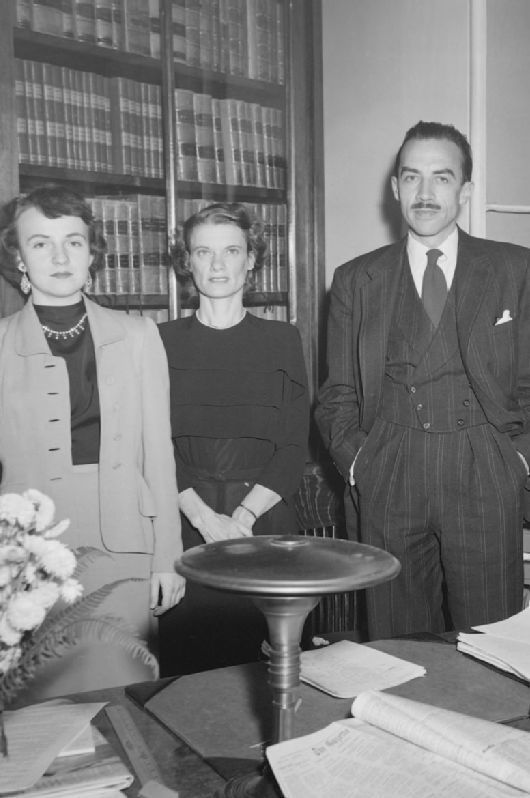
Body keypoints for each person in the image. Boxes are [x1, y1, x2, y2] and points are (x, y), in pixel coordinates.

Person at [315, 121, 530, 639]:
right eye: (412, 177)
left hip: (484, 468)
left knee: (492, 642)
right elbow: (337, 395)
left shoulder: (512, 267)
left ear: (464, 190)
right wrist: (359, 463)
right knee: (398, 645)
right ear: (395, 187)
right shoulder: (356, 279)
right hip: (389, 470)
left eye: (441, 178)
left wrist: (518, 461)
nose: (424, 193)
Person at [0, 185, 185, 697]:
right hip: (27, 558)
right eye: (41, 243)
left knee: (125, 694)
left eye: (73, 242)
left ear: (91, 253)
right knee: (39, 703)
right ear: (18, 257)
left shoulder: (140, 336)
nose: (60, 257)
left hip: (127, 546)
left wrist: (167, 555)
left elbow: (158, 455)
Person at [157, 202, 308, 675]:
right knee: (189, 678)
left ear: (252, 260)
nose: (218, 265)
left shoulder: (283, 339)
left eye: (231, 251)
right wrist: (205, 520)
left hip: (264, 526)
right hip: (184, 526)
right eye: (204, 252)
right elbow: (152, 447)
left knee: (270, 675)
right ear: (188, 262)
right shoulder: (157, 341)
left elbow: (293, 445)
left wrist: (241, 519)